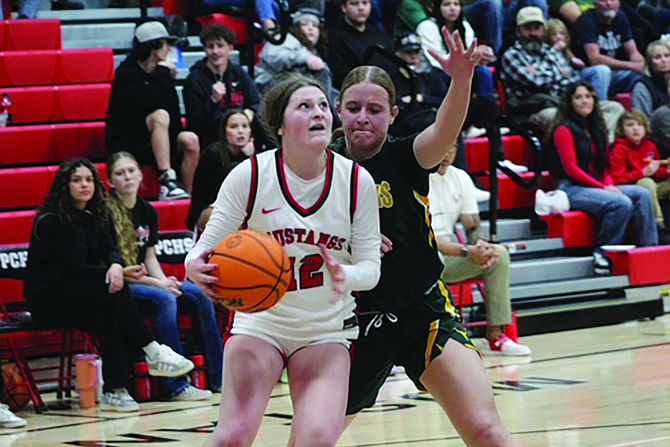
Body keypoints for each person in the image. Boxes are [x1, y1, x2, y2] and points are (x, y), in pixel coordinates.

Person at [332, 28, 520, 445]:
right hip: (350, 326)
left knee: (486, 429)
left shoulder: (406, 157)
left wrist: (461, 79)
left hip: (422, 311)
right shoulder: (319, 168)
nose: (363, 117)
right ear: (338, 110)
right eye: (354, 107)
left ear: (393, 115)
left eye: (375, 110)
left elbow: (444, 130)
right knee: (313, 439)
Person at [185, 74, 381, 447]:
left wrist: (347, 273)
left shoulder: (357, 181)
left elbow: (372, 268)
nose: (318, 113)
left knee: (318, 438)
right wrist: (195, 266)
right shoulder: (250, 175)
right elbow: (203, 248)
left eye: (323, 105)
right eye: (304, 106)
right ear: (279, 125)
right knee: (234, 436)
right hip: (261, 323)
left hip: (326, 328)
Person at [23, 159, 195, 412]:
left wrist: (116, 266)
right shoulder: (50, 221)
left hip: (82, 295)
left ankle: (116, 389)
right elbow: (73, 267)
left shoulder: (96, 215)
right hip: (48, 299)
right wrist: (115, 272)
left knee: (108, 314)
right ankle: (153, 351)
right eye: (77, 180)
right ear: (64, 186)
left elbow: (110, 249)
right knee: (114, 289)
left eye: (89, 179)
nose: (84, 185)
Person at [106, 152, 223, 398]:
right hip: (122, 286)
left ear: (140, 174)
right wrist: (159, 284)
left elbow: (149, 256)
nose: (127, 177)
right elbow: (114, 269)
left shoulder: (147, 210)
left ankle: (219, 378)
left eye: (131, 170)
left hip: (146, 279)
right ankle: (176, 385)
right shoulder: (106, 213)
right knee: (165, 299)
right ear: (110, 181)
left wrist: (164, 281)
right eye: (120, 173)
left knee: (197, 294)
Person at [429, 145, 532, 356]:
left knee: (499, 255)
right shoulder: (415, 178)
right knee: (424, 261)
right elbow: (424, 238)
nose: (447, 154)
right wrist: (467, 251)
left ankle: (495, 337)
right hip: (422, 256)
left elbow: (472, 226)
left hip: (450, 256)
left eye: (452, 149)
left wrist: (482, 246)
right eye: (443, 148)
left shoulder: (460, 177)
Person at [548, 81, 658, 274]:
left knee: (643, 194)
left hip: (596, 183)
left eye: (588, 96)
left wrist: (607, 183)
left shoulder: (596, 128)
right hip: (571, 187)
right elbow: (572, 169)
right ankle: (602, 253)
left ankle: (648, 251)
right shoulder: (563, 130)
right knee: (620, 203)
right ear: (570, 102)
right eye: (578, 97)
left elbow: (604, 165)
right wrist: (602, 187)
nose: (584, 101)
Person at [105, 20, 200, 200]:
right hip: (128, 138)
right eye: (166, 45)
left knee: (190, 139)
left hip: (159, 137)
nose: (168, 50)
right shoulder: (126, 74)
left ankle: (191, 196)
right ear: (153, 48)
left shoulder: (161, 74)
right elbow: (148, 103)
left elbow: (173, 111)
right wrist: (162, 75)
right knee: (160, 115)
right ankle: (167, 181)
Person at [501, 7, 624, 140]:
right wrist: (558, 73)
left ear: (543, 31)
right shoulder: (512, 55)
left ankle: (601, 150)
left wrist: (542, 73)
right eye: (528, 29)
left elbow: (573, 79)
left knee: (614, 108)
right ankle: (579, 154)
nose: (533, 33)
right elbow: (535, 82)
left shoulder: (551, 51)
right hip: (535, 109)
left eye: (537, 28)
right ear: (518, 32)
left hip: (565, 103)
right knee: (557, 117)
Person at [183, 24, 264, 151]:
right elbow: (195, 122)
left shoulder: (238, 73)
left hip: (242, 131)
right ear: (204, 49)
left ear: (230, 48)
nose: (215, 51)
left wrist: (249, 113)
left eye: (220, 46)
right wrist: (213, 101)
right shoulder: (194, 79)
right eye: (210, 47)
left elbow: (255, 102)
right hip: (213, 135)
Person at [186, 110, 256, 231]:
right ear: (224, 131)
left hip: (240, 210)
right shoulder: (212, 155)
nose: (240, 131)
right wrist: (247, 159)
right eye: (234, 127)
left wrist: (251, 158)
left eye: (245, 126)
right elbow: (217, 193)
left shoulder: (255, 156)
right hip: (209, 210)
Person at [255, 8, 339, 106]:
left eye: (315, 25)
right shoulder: (286, 38)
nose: (310, 28)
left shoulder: (314, 51)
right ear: (296, 27)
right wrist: (305, 58)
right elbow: (273, 57)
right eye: (304, 24)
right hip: (270, 85)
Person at [609, 110, 670, 238]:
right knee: (646, 183)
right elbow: (618, 178)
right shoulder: (619, 149)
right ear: (621, 129)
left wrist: (666, 170)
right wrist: (642, 173)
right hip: (631, 188)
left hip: (653, 186)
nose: (635, 129)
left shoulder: (650, 145)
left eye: (640, 125)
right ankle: (659, 225)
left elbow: (657, 173)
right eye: (630, 125)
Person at [571, 0, 645, 95]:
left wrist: (644, 66)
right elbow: (595, 59)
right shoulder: (586, 20)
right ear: (595, 3)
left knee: (645, 76)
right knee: (602, 71)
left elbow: (633, 53)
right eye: (603, 0)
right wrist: (632, 66)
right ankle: (600, 107)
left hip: (615, 73)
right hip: (587, 74)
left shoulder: (621, 16)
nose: (609, 3)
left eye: (612, 0)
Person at [328, 0, 395, 89]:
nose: (361, 8)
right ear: (344, 7)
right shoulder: (334, 35)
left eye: (365, 3)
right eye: (354, 3)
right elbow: (339, 73)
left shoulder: (379, 35)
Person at [632, 39, 670, 117]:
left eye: (667, 56)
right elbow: (642, 120)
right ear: (650, 63)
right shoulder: (642, 87)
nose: (664, 60)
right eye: (657, 57)